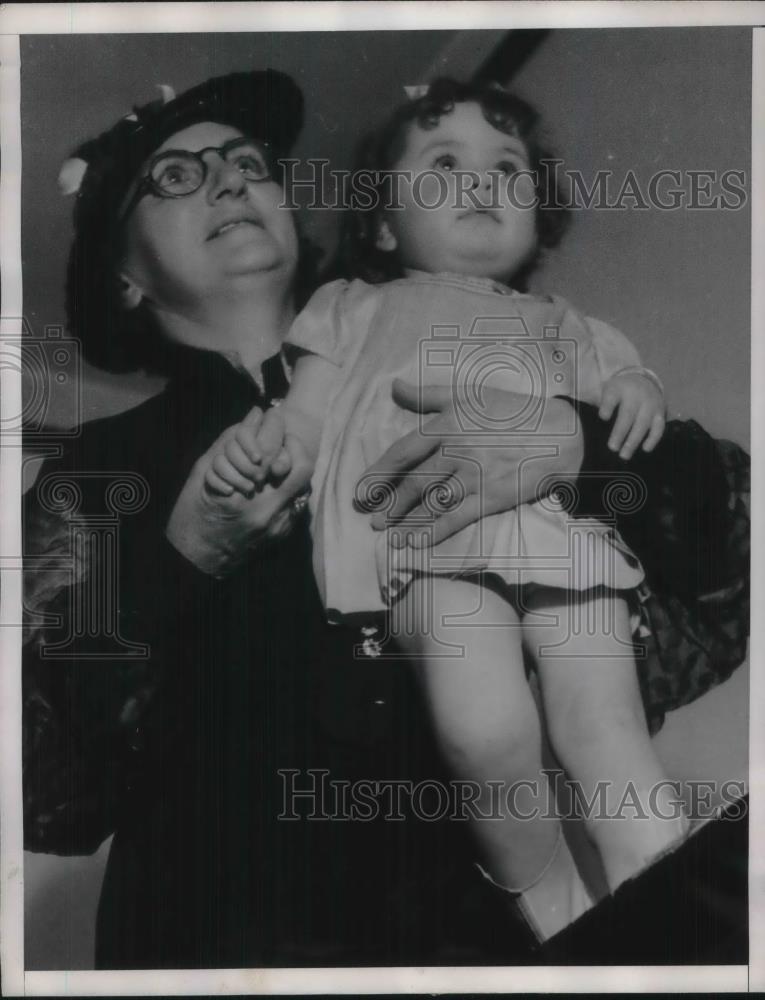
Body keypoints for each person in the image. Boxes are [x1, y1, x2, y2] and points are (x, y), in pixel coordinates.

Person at [22, 69, 749, 968]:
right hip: (223, 943)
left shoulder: (458, 340)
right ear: (122, 273)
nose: (226, 179)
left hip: (480, 946)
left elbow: (723, 588)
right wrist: (185, 558)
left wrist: (580, 447)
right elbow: (41, 781)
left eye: (246, 160)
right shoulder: (92, 468)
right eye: (173, 174)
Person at [204, 78, 686, 941]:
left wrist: (636, 388)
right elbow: (304, 422)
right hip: (429, 534)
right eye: (442, 164)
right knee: (483, 728)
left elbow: (621, 389)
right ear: (384, 223)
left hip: (561, 531)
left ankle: (670, 915)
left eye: (507, 167)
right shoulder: (352, 304)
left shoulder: (563, 322)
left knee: (605, 724)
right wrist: (265, 449)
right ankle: (563, 925)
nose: (480, 182)